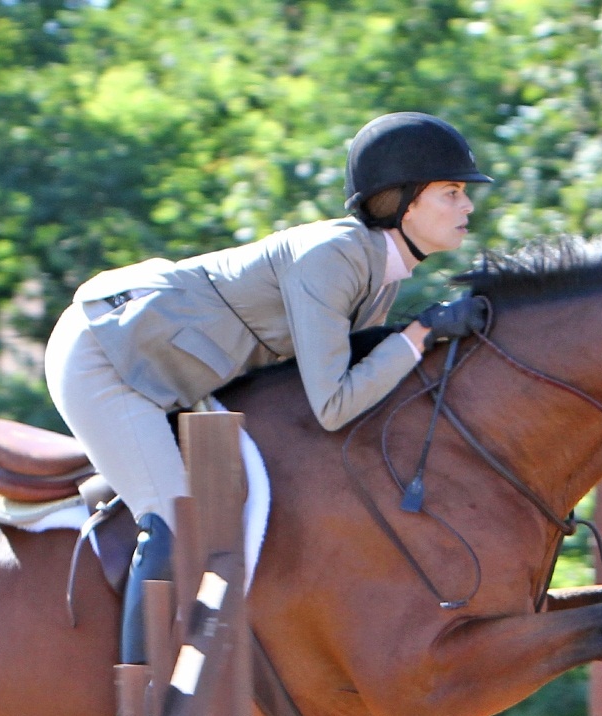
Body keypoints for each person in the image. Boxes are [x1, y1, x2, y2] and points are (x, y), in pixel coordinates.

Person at [45, 112, 492, 662]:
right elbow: (332, 405)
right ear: (401, 200)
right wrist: (420, 334)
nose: (467, 205)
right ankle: (140, 705)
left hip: (168, 365)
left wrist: (416, 336)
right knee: (173, 521)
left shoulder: (375, 270)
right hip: (108, 357)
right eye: (451, 192)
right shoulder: (333, 257)